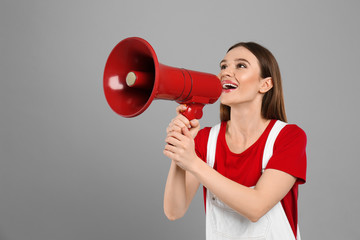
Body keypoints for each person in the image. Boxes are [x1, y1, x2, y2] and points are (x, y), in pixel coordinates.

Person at [163, 42, 307, 240]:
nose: (226, 73)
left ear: (265, 84)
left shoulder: (288, 137)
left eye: (240, 66)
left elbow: (256, 207)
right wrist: (179, 151)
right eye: (223, 66)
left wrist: (193, 162)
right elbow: (174, 211)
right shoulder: (206, 139)